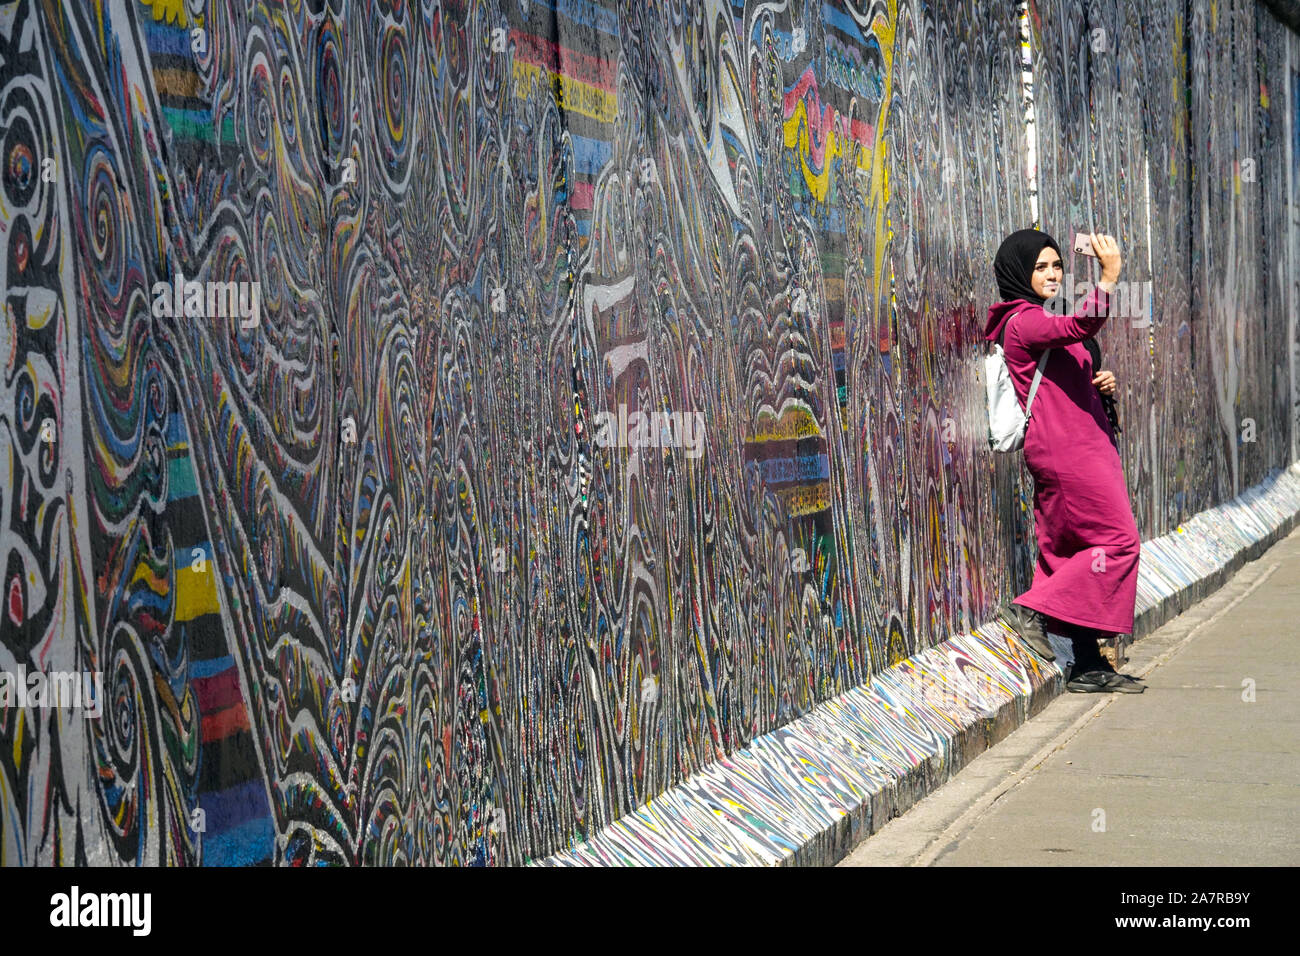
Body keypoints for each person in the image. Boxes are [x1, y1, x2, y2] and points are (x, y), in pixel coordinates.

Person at [986, 229, 1144, 693]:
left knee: (1069, 554)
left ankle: (1086, 662)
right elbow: (1077, 327)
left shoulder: (1035, 321)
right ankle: (1032, 610)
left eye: (1056, 265)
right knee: (1119, 543)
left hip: (1079, 444)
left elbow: (1069, 356)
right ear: (1018, 273)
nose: (1053, 274)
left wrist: (1098, 382)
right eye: (1040, 267)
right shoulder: (1021, 321)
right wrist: (1110, 278)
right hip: (1070, 453)